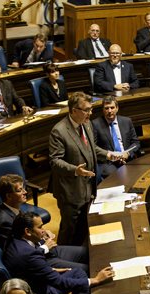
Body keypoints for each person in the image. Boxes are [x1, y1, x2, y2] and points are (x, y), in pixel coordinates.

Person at [3, 212, 114, 294]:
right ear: (27, 231)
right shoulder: (29, 254)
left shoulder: (16, 240)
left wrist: (49, 269)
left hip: (39, 280)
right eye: (40, 227)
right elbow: (60, 282)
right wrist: (95, 280)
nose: (43, 230)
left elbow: (28, 266)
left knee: (78, 272)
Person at [49, 91, 121, 245]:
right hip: (70, 189)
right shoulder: (59, 131)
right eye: (86, 110)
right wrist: (75, 170)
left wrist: (108, 155)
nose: (90, 113)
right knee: (69, 229)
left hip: (88, 186)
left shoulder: (86, 123)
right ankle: (62, 257)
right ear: (74, 110)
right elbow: (55, 161)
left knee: (83, 225)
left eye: (91, 109)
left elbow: (91, 147)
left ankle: (79, 256)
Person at [0, 174, 89, 270]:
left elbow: (29, 233)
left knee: (88, 252)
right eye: (19, 190)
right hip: (40, 259)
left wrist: (43, 232)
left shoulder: (16, 208)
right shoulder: (4, 221)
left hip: (47, 249)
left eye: (24, 189)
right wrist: (44, 247)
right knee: (86, 269)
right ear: (9, 196)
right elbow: (19, 253)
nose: (25, 192)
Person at [92, 96, 140, 181]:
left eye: (112, 107)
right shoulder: (96, 124)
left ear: (117, 108)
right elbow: (93, 147)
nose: (109, 111)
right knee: (116, 176)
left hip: (127, 159)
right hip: (108, 162)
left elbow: (136, 143)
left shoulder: (126, 121)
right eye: (106, 108)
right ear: (103, 110)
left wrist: (127, 154)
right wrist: (110, 155)